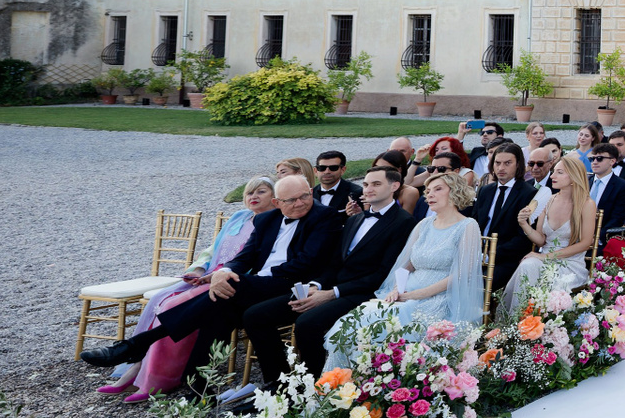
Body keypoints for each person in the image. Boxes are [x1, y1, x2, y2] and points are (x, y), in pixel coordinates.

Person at [82, 175, 344, 379]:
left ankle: (138, 344)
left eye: (304, 196)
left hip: (294, 284)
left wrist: (235, 278)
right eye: (291, 200)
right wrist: (224, 271)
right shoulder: (266, 220)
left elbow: (305, 263)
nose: (300, 203)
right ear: (277, 203)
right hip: (258, 285)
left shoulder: (325, 217)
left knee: (225, 294)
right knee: (218, 312)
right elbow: (244, 257)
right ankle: (198, 388)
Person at [99, 177, 278, 400]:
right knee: (160, 299)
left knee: (174, 307)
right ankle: (137, 368)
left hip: (235, 281)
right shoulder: (239, 217)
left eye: (261, 192)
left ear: (275, 197)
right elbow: (211, 249)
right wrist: (198, 269)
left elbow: (257, 262)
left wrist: (220, 276)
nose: (254, 197)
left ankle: (156, 377)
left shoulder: (274, 223)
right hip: (209, 274)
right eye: (250, 193)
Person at [245, 165, 413, 384]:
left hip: (363, 292)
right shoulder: (355, 219)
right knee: (255, 316)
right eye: (365, 184)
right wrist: (316, 285)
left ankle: (312, 385)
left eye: (376, 184)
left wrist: (332, 293)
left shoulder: (403, 222)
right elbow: (334, 262)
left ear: (395, 186)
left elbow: (383, 274)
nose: (368, 189)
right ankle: (279, 382)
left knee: (307, 324)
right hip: (329, 287)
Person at [368, 171, 486, 329]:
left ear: (455, 191)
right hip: (407, 291)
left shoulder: (468, 225)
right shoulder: (423, 224)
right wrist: (397, 289)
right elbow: (408, 263)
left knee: (392, 322)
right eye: (428, 191)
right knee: (367, 317)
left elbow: (462, 274)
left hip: (441, 297)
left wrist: (417, 295)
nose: (430, 195)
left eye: (438, 189)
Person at [499, 153, 598, 310]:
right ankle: (519, 319)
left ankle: (536, 319)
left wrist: (545, 257)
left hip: (570, 264)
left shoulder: (587, 204)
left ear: (574, 177)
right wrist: (524, 224)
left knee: (538, 271)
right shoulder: (549, 200)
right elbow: (541, 240)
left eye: (559, 172)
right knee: (527, 265)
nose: (552, 176)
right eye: (554, 171)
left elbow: (585, 243)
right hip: (543, 259)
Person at [472, 142, 545, 298]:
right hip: (477, 253)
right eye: (497, 163)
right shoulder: (485, 190)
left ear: (518, 165)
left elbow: (523, 238)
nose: (501, 168)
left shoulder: (529, 193)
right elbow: (475, 223)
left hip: (507, 258)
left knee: (477, 286)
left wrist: (490, 255)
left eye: (507, 163)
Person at [583, 145, 625, 233]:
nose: (594, 162)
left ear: (612, 161)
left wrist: (597, 237)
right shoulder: (584, 182)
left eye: (599, 158)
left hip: (603, 237)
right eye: (592, 159)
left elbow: (617, 218)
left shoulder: (623, 187)